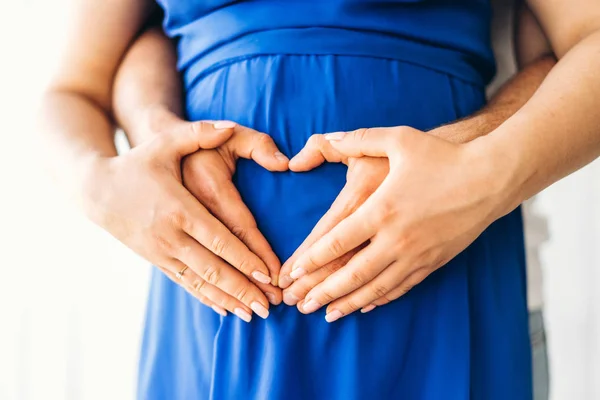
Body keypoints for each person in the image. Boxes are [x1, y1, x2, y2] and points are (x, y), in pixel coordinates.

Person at [40, 1, 600, 399]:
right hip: (208, 313)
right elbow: (79, 84)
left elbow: (584, 39)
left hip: (445, 286)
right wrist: (98, 185)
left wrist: (484, 175)